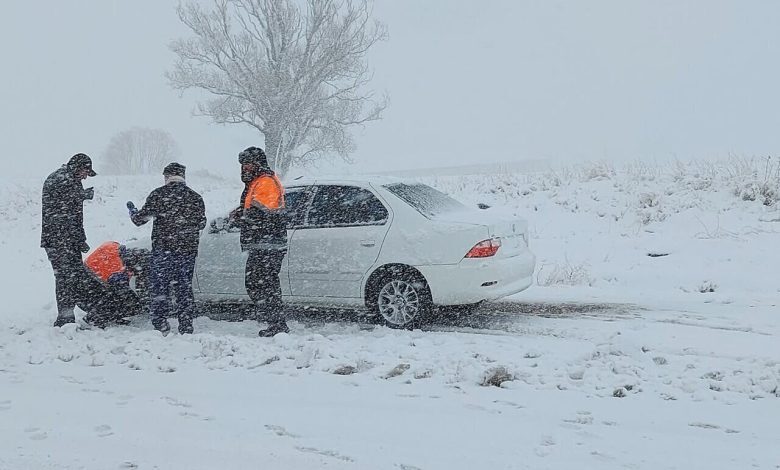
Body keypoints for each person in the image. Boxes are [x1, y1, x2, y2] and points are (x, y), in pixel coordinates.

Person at [127, 163, 206, 335]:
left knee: (160, 287)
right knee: (184, 288)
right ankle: (186, 324)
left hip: (164, 250)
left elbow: (140, 220)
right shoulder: (195, 197)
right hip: (187, 251)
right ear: (183, 176)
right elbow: (202, 223)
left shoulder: (158, 195)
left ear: (166, 177)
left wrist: (132, 211)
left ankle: (160, 323)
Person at [231, 146, 289, 337]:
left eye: (247, 164)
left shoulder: (265, 182)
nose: (243, 168)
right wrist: (241, 212)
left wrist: (241, 220)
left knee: (264, 283)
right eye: (242, 165)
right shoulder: (257, 182)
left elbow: (263, 214)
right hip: (263, 243)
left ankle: (276, 322)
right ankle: (273, 318)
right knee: (260, 282)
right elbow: (255, 209)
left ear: (256, 164)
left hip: (268, 243)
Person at [41, 153, 102, 327]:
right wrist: (82, 195)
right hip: (59, 239)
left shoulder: (69, 179)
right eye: (85, 171)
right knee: (66, 277)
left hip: (66, 238)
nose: (85, 176)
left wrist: (79, 239)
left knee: (75, 276)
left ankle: (95, 310)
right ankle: (65, 318)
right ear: (77, 167)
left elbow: (73, 214)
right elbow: (66, 211)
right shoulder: (62, 179)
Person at [83, 241, 145, 322]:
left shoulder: (113, 246)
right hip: (90, 288)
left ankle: (101, 315)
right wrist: (140, 304)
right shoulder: (118, 272)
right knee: (131, 305)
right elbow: (124, 293)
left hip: (82, 277)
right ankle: (96, 318)